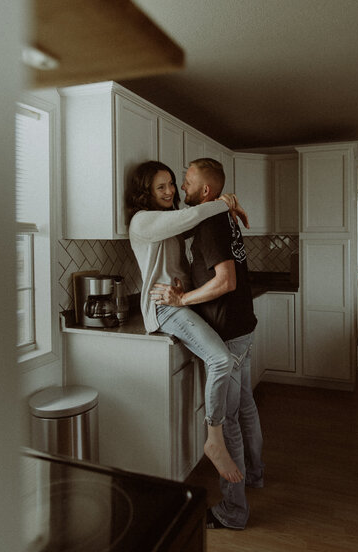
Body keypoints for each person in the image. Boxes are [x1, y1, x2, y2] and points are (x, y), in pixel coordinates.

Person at [150, 158, 264, 530]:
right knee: (245, 405)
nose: (181, 189)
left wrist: (181, 300)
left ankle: (233, 511)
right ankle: (255, 475)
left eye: (185, 183)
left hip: (229, 332)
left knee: (228, 421)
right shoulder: (220, 217)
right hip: (242, 326)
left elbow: (225, 280)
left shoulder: (211, 221)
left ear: (205, 191)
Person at [127, 160, 249, 483]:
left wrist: (227, 208)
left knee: (220, 363)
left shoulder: (171, 220)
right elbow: (196, 215)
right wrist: (224, 202)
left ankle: (219, 439)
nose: (171, 191)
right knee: (221, 359)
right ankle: (214, 438)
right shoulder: (142, 221)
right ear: (146, 193)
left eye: (172, 183)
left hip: (179, 302)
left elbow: (193, 227)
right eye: (161, 187)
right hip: (164, 309)